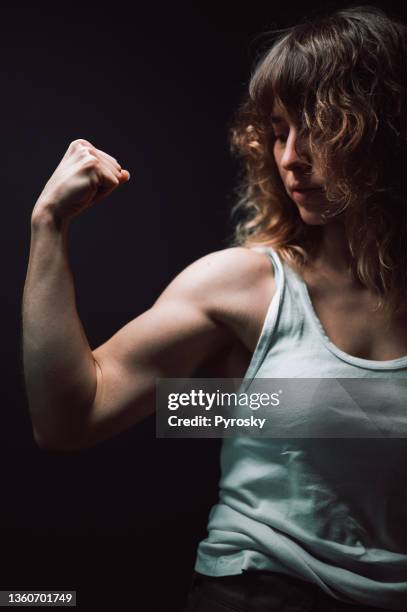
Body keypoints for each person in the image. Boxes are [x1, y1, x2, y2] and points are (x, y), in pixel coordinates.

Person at [22, 4, 407, 611]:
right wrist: (48, 224)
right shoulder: (243, 286)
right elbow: (70, 418)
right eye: (280, 130)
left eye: (321, 127)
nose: (291, 157)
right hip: (258, 590)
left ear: (383, 129)